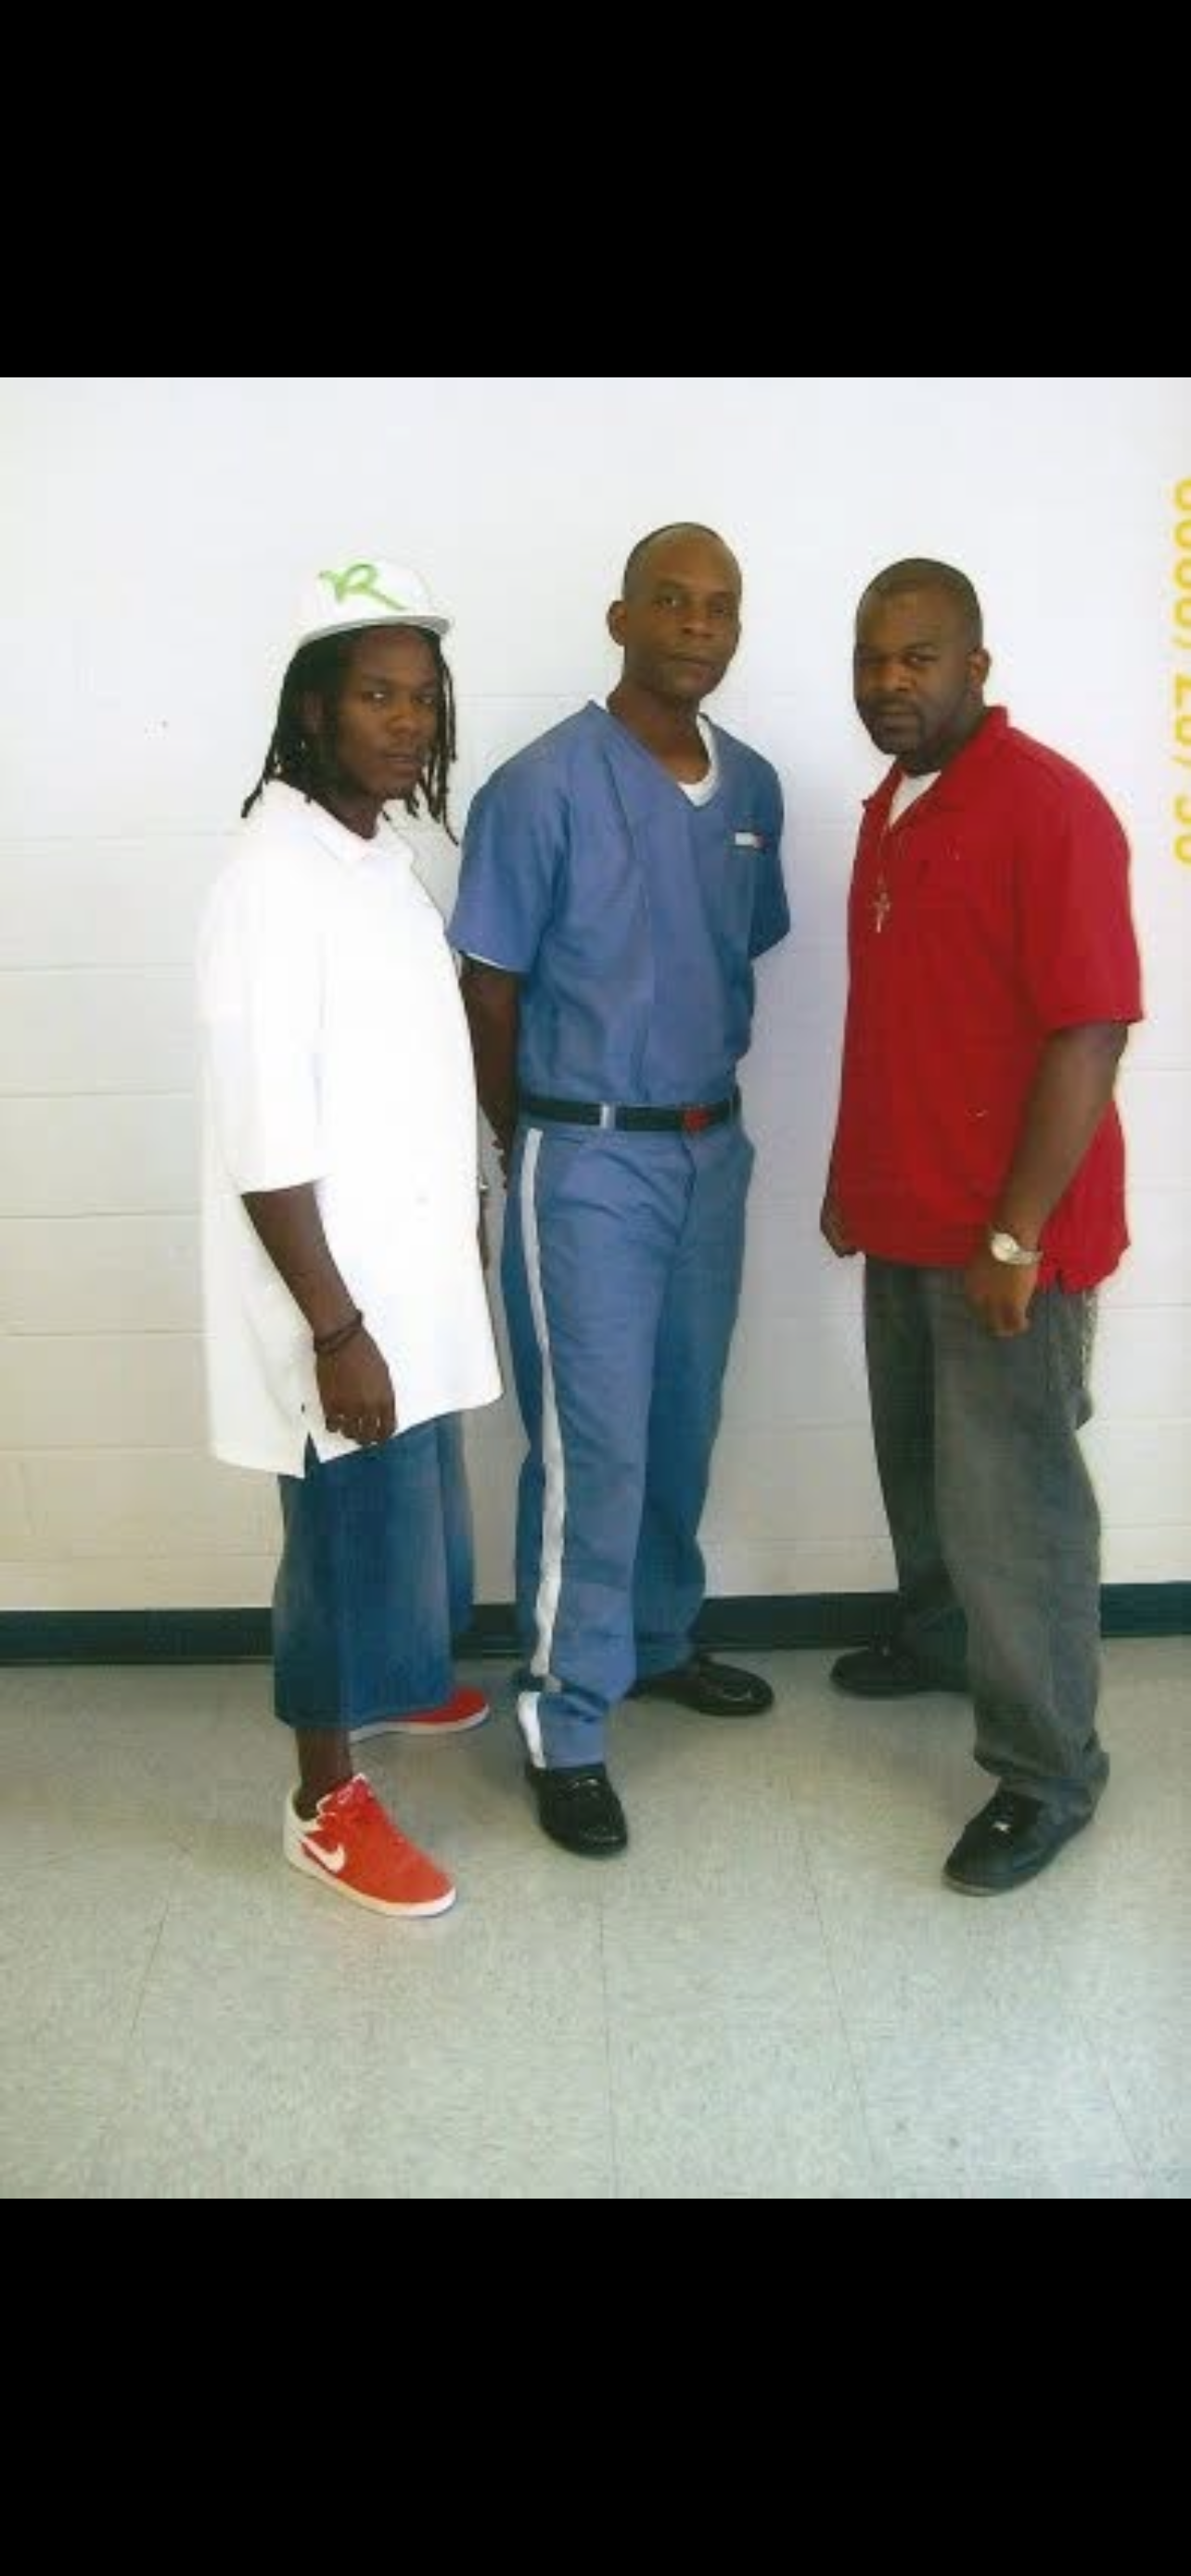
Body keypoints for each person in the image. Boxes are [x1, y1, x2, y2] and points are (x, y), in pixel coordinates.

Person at [450, 523, 789, 1856]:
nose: (698, 625)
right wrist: (520, 1137)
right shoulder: (541, 786)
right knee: (593, 1448)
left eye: (721, 606)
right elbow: (488, 990)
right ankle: (566, 1714)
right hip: (585, 1155)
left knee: (681, 1422)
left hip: (711, 1149)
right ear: (622, 617)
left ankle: (655, 1639)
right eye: (673, 600)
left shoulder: (753, 786)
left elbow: (733, 949)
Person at [822, 557, 1143, 1894]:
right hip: (907, 1213)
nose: (890, 681)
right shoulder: (893, 806)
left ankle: (1047, 1769)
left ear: (976, 668)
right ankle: (941, 1638)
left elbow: (1091, 1030)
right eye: (872, 658)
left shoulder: (1049, 807)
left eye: (919, 657)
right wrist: (852, 1174)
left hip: (1011, 1243)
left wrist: (1015, 1238)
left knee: (1016, 1507)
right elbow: (898, 1011)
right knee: (921, 1468)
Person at [198, 556, 501, 1919]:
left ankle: (398, 1673)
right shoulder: (271, 877)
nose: (407, 721)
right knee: (337, 1532)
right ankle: (322, 1799)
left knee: (412, 1506)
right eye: (376, 695)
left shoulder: (380, 862)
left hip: (406, 1270)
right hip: (337, 1290)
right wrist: (335, 1327)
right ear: (313, 709)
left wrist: (464, 1213)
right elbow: (263, 1138)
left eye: (422, 697)